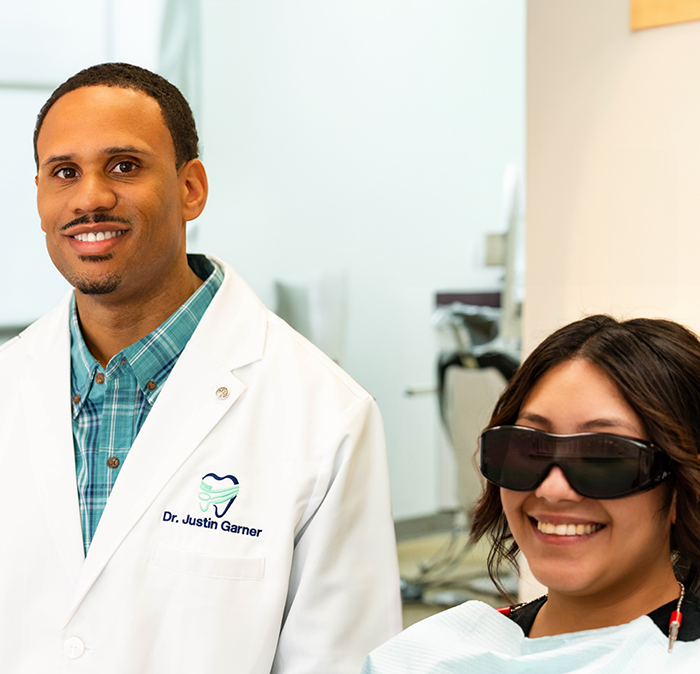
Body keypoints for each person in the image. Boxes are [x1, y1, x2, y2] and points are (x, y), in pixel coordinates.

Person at [0, 62, 402, 672]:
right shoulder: (12, 382)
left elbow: (341, 661)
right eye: (64, 173)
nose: (90, 198)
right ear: (38, 197)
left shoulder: (326, 416)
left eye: (125, 166)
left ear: (192, 189)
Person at [363, 315, 700, 673]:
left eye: (604, 456)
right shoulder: (427, 654)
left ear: (685, 484)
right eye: (528, 449)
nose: (552, 489)